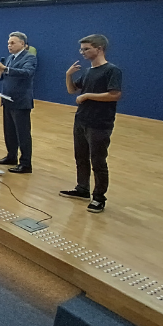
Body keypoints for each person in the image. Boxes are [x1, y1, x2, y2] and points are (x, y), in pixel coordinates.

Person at [60, 34, 123, 213]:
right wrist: (68, 75)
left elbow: (114, 94)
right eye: (82, 49)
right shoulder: (88, 72)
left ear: (99, 49)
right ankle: (82, 189)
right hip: (81, 120)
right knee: (81, 157)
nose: (83, 52)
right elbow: (72, 90)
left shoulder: (112, 70)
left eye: (86, 49)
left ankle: (99, 197)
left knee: (98, 161)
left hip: (100, 123)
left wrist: (87, 96)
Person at [0, 31, 37, 174]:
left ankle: (26, 163)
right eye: (8, 43)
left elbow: (27, 73)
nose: (9, 45)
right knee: (9, 132)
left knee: (23, 133)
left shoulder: (30, 57)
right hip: (7, 99)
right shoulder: (9, 58)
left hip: (21, 101)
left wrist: (6, 69)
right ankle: (11, 156)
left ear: (22, 43)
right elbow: (6, 76)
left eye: (12, 43)